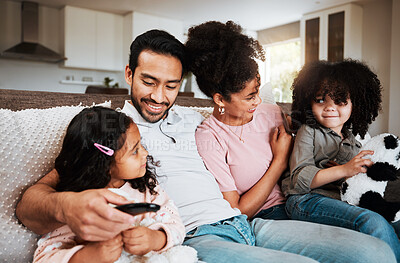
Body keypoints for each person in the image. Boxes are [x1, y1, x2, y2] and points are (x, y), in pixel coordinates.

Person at [16, 28, 396, 263]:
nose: (158, 96)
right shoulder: (112, 129)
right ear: (129, 74)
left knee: (373, 251)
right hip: (200, 235)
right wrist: (68, 204)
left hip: (247, 223)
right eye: (148, 81)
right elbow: (35, 200)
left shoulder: (193, 121)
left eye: (171, 85)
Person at [281, 59, 400, 261]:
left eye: (339, 101)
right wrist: (344, 170)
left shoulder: (354, 142)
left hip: (341, 199)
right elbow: (299, 181)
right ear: (308, 101)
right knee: (372, 222)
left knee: (395, 220)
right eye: (320, 100)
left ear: (356, 105)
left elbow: (356, 182)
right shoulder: (308, 131)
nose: (329, 108)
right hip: (305, 200)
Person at [32, 107, 185, 262]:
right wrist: (91, 255)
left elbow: (176, 224)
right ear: (103, 164)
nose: (145, 153)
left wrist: (156, 239)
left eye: (141, 145)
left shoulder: (147, 187)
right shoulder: (80, 205)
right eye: (134, 151)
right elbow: (45, 256)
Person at [187, 21, 291, 220]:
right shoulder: (209, 137)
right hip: (265, 217)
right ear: (220, 99)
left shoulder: (273, 113)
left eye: (257, 92)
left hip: (302, 202)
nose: (258, 101)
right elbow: (236, 210)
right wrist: (279, 162)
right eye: (250, 97)